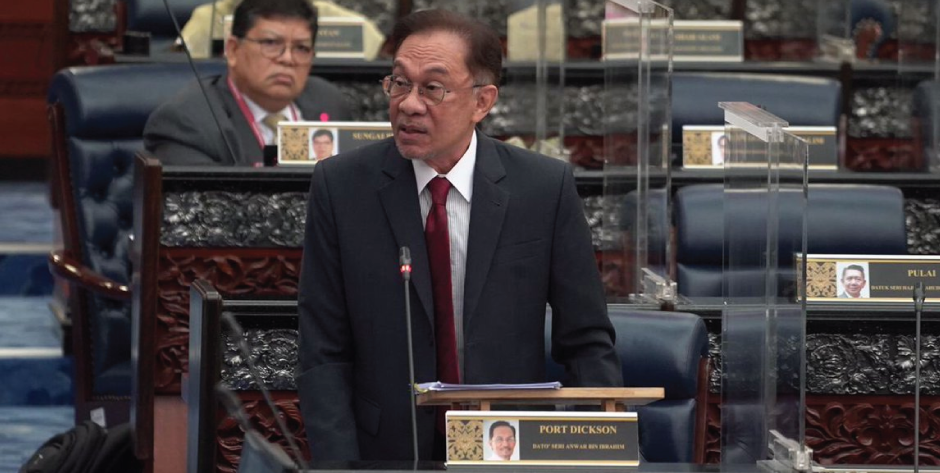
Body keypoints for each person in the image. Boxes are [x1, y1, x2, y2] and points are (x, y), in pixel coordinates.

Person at [298, 9, 622, 462]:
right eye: (399, 83)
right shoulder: (342, 187)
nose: (409, 104)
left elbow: (586, 341)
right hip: (385, 450)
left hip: (508, 448)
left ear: (482, 102)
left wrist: (599, 454)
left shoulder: (543, 189)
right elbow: (323, 350)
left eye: (433, 88)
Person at [143, 0, 352, 165]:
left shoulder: (329, 103)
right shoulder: (188, 124)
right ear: (233, 50)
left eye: (301, 48)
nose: (288, 59)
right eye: (271, 43)